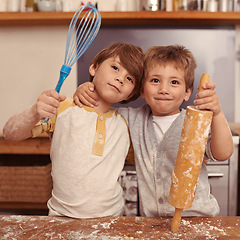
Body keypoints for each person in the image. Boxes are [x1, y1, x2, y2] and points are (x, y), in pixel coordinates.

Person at [73, 45, 234, 217]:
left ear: (187, 92)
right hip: (152, 222)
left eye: (174, 82)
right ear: (141, 89)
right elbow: (100, 108)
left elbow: (223, 153)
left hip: (197, 218)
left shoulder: (195, 122)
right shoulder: (130, 119)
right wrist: (87, 89)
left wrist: (217, 113)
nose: (163, 89)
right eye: (155, 80)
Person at [3, 42, 144, 218]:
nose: (120, 78)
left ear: (130, 94)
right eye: (115, 67)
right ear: (94, 67)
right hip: (61, 216)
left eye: (130, 79)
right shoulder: (64, 108)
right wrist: (34, 112)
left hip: (111, 219)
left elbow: (144, 162)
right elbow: (10, 134)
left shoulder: (124, 125)